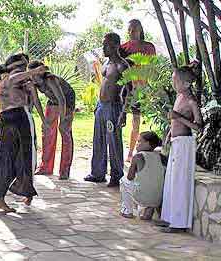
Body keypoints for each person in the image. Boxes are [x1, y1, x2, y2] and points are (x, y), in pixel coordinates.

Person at [0, 53, 46, 213]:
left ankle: (22, 193)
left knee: (24, 158)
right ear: (12, 66)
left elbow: (33, 101)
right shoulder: (7, 80)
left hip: (19, 119)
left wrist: (43, 118)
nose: (24, 68)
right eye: (21, 65)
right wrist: (33, 72)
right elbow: (15, 80)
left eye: (25, 65)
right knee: (6, 160)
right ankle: (0, 197)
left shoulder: (20, 82)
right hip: (12, 119)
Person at [158, 63, 202, 233]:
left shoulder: (191, 101)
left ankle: (178, 223)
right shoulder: (179, 96)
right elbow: (174, 120)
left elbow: (198, 126)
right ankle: (169, 218)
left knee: (180, 183)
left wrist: (178, 118)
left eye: (175, 81)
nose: (173, 84)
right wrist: (169, 134)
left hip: (185, 143)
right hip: (176, 142)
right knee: (171, 182)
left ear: (186, 84)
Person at [84, 33, 130, 187]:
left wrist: (124, 112)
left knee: (114, 142)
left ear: (116, 45)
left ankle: (117, 175)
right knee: (98, 140)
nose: (103, 47)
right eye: (103, 44)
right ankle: (98, 173)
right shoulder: (105, 63)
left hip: (113, 107)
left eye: (106, 45)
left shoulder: (122, 65)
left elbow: (130, 90)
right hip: (101, 106)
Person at [29, 60, 76, 180]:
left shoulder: (50, 79)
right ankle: (46, 167)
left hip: (66, 100)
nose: (32, 76)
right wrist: (43, 120)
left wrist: (64, 118)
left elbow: (62, 100)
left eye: (35, 73)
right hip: (53, 101)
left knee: (65, 131)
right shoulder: (32, 82)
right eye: (30, 73)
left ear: (41, 72)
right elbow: (36, 101)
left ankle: (64, 170)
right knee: (47, 131)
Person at [120, 19, 156, 162]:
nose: (131, 32)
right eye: (129, 29)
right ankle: (118, 150)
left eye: (134, 29)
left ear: (140, 29)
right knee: (119, 119)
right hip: (123, 88)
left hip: (139, 90)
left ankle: (131, 152)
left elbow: (152, 68)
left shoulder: (149, 47)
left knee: (136, 121)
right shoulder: (123, 48)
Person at [119, 131, 166, 219]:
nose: (137, 144)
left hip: (141, 197)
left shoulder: (138, 157)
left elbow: (130, 177)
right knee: (152, 184)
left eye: (139, 141)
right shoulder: (161, 157)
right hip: (158, 199)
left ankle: (127, 211)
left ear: (148, 143)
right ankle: (148, 212)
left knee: (123, 180)